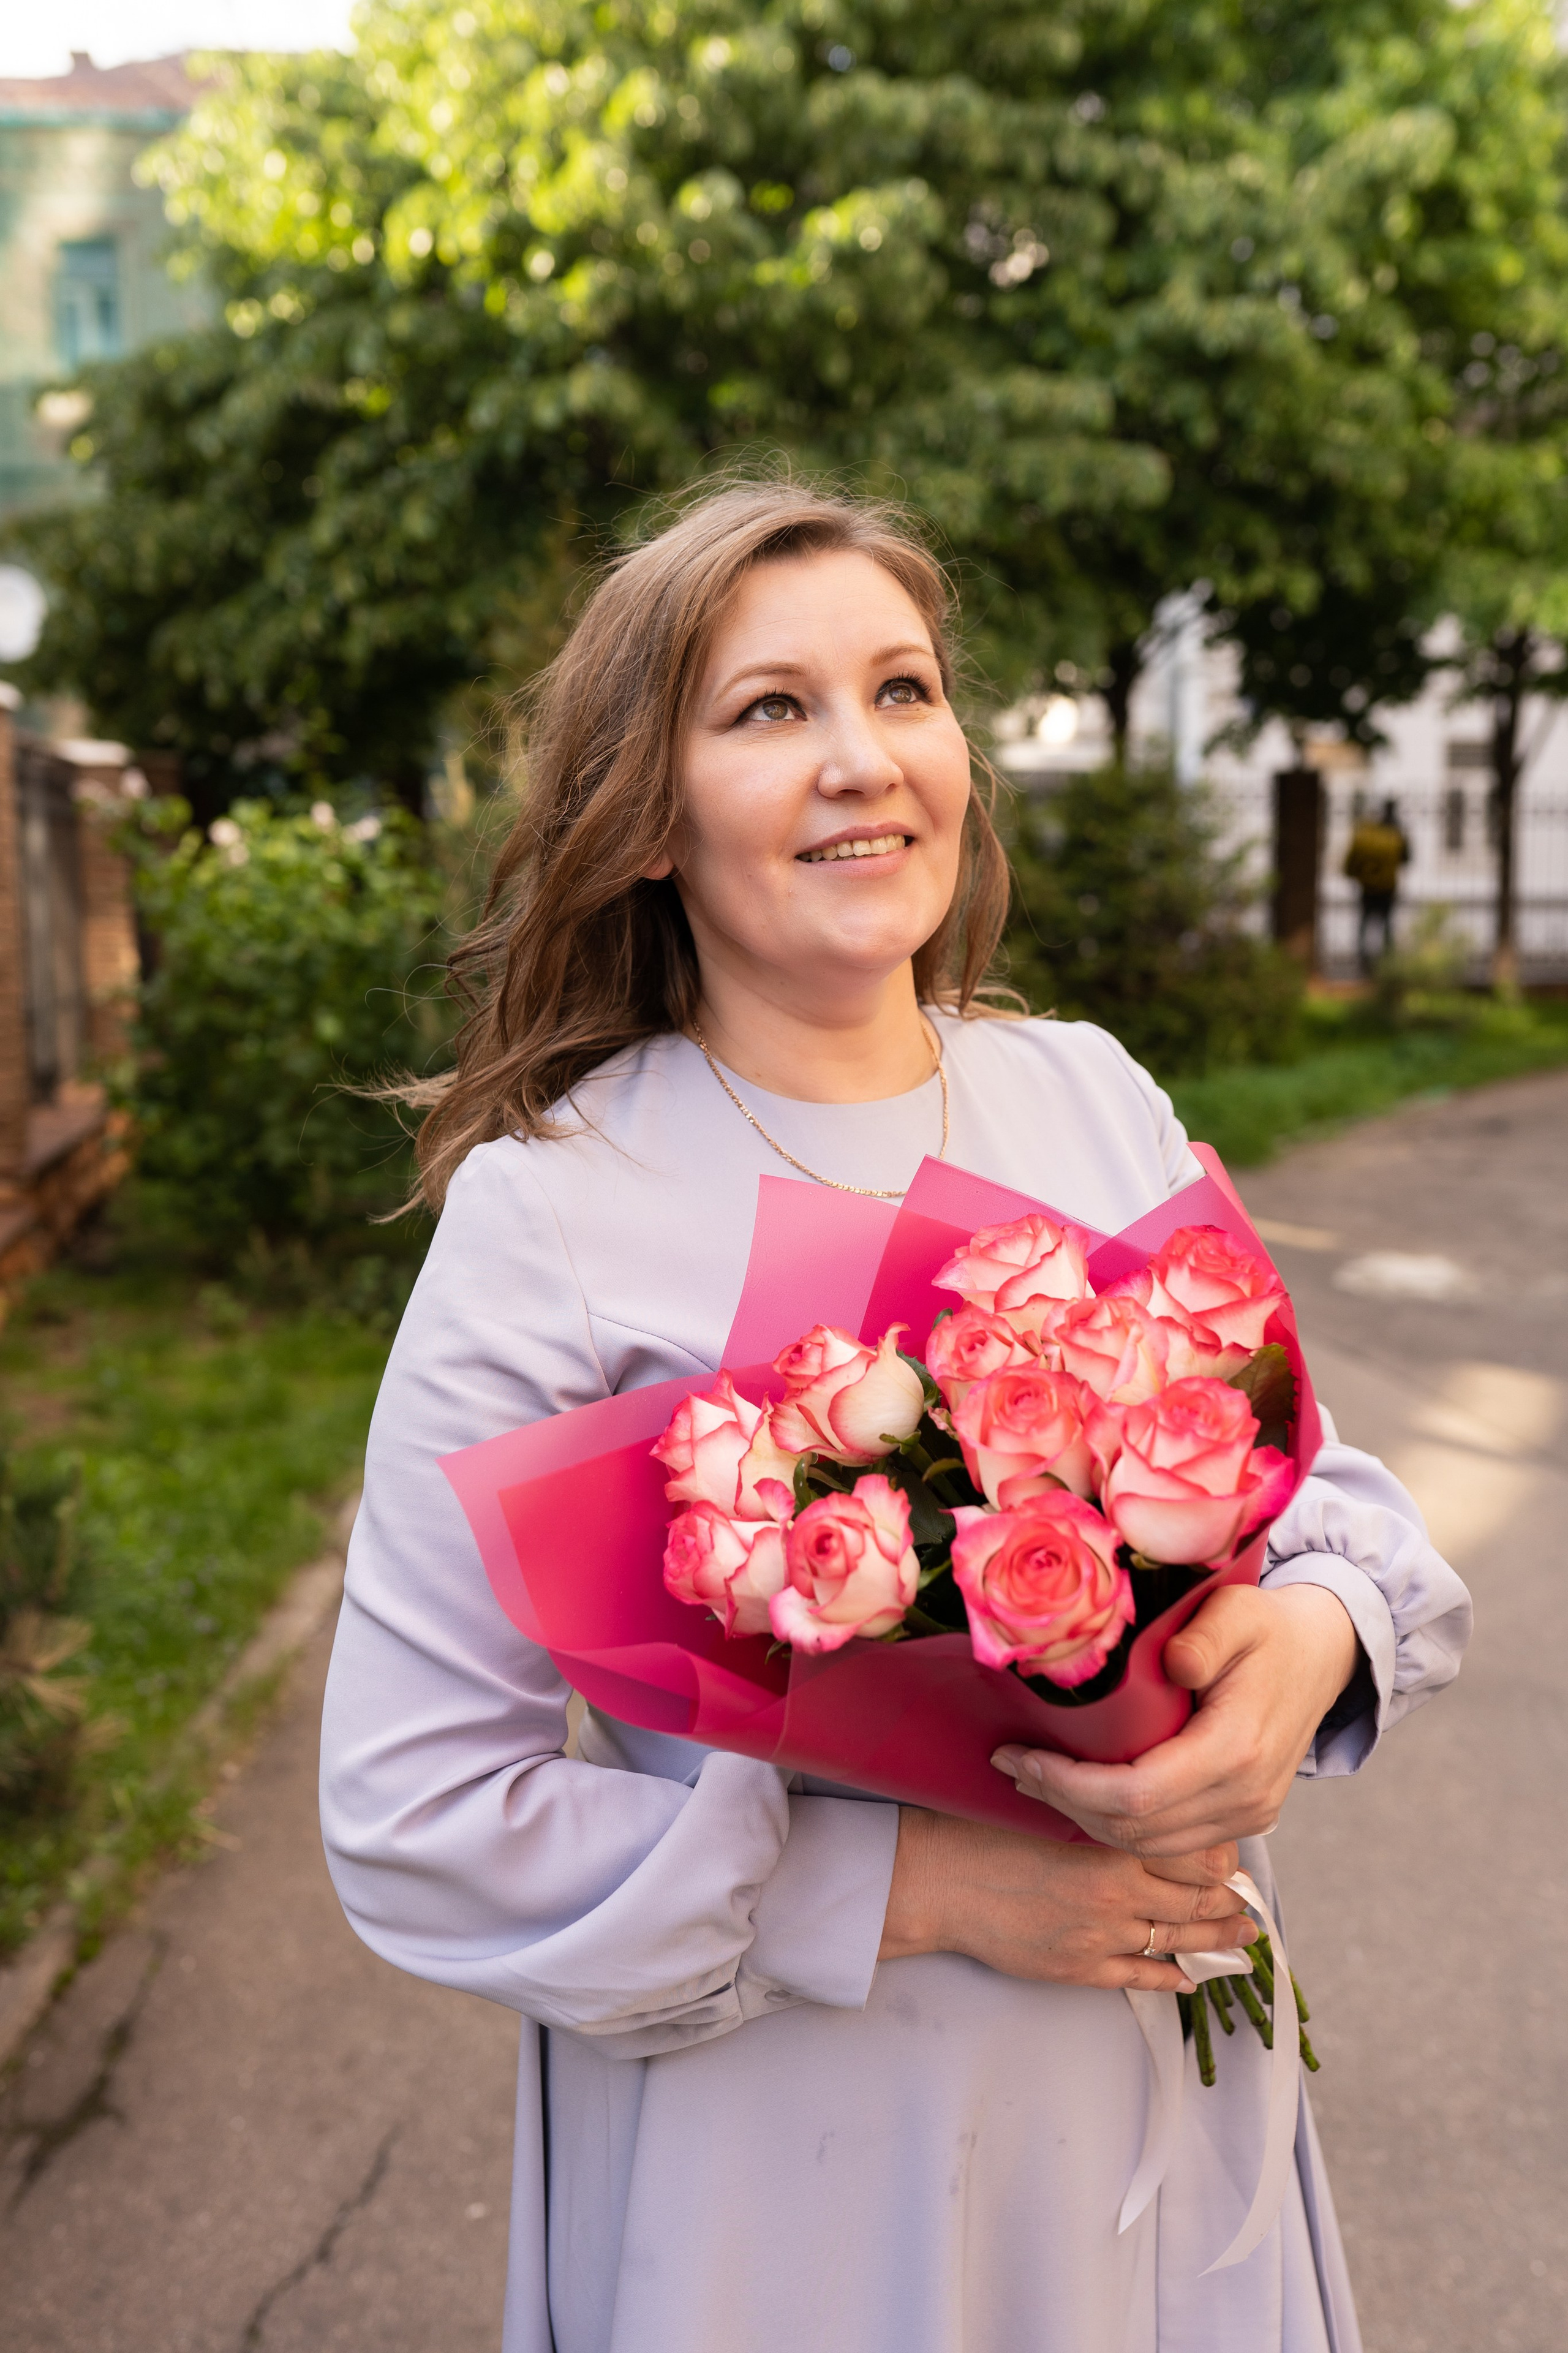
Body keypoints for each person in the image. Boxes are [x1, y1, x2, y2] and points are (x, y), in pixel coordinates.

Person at [318, 483, 1471, 2353]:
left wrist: (1304, 1652)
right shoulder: (555, 1207)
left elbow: (1311, 1489)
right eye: (769, 708)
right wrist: (908, 1887)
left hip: (1157, 2071)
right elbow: (415, 1807)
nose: (863, 758)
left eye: (903, 689)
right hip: (785, 2146)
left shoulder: (1083, 1092)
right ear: (643, 814)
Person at [1343, 798, 1410, 974]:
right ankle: (1388, 963)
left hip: (1368, 886)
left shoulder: (1369, 833)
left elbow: (1352, 861)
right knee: (1387, 925)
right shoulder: (1397, 833)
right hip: (1388, 886)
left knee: (1365, 924)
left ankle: (1362, 961)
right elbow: (1406, 859)